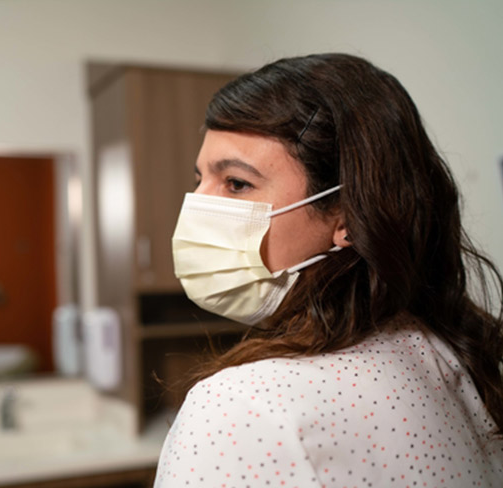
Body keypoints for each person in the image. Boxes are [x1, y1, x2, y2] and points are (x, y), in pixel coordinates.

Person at [154, 53, 503, 487]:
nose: (199, 206)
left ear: (346, 218)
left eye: (237, 183)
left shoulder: (242, 408)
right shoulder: (446, 357)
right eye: (200, 179)